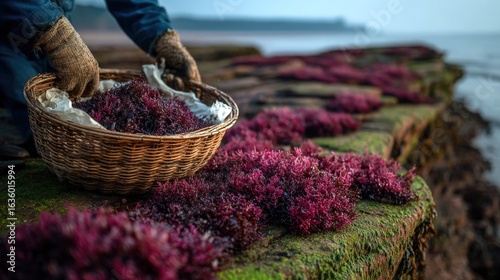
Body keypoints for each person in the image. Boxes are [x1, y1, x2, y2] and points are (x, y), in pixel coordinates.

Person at [0, 0, 200, 158]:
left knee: (54, 123)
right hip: (9, 29)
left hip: (49, 22)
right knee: (30, 120)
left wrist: (163, 38)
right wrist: (50, 30)